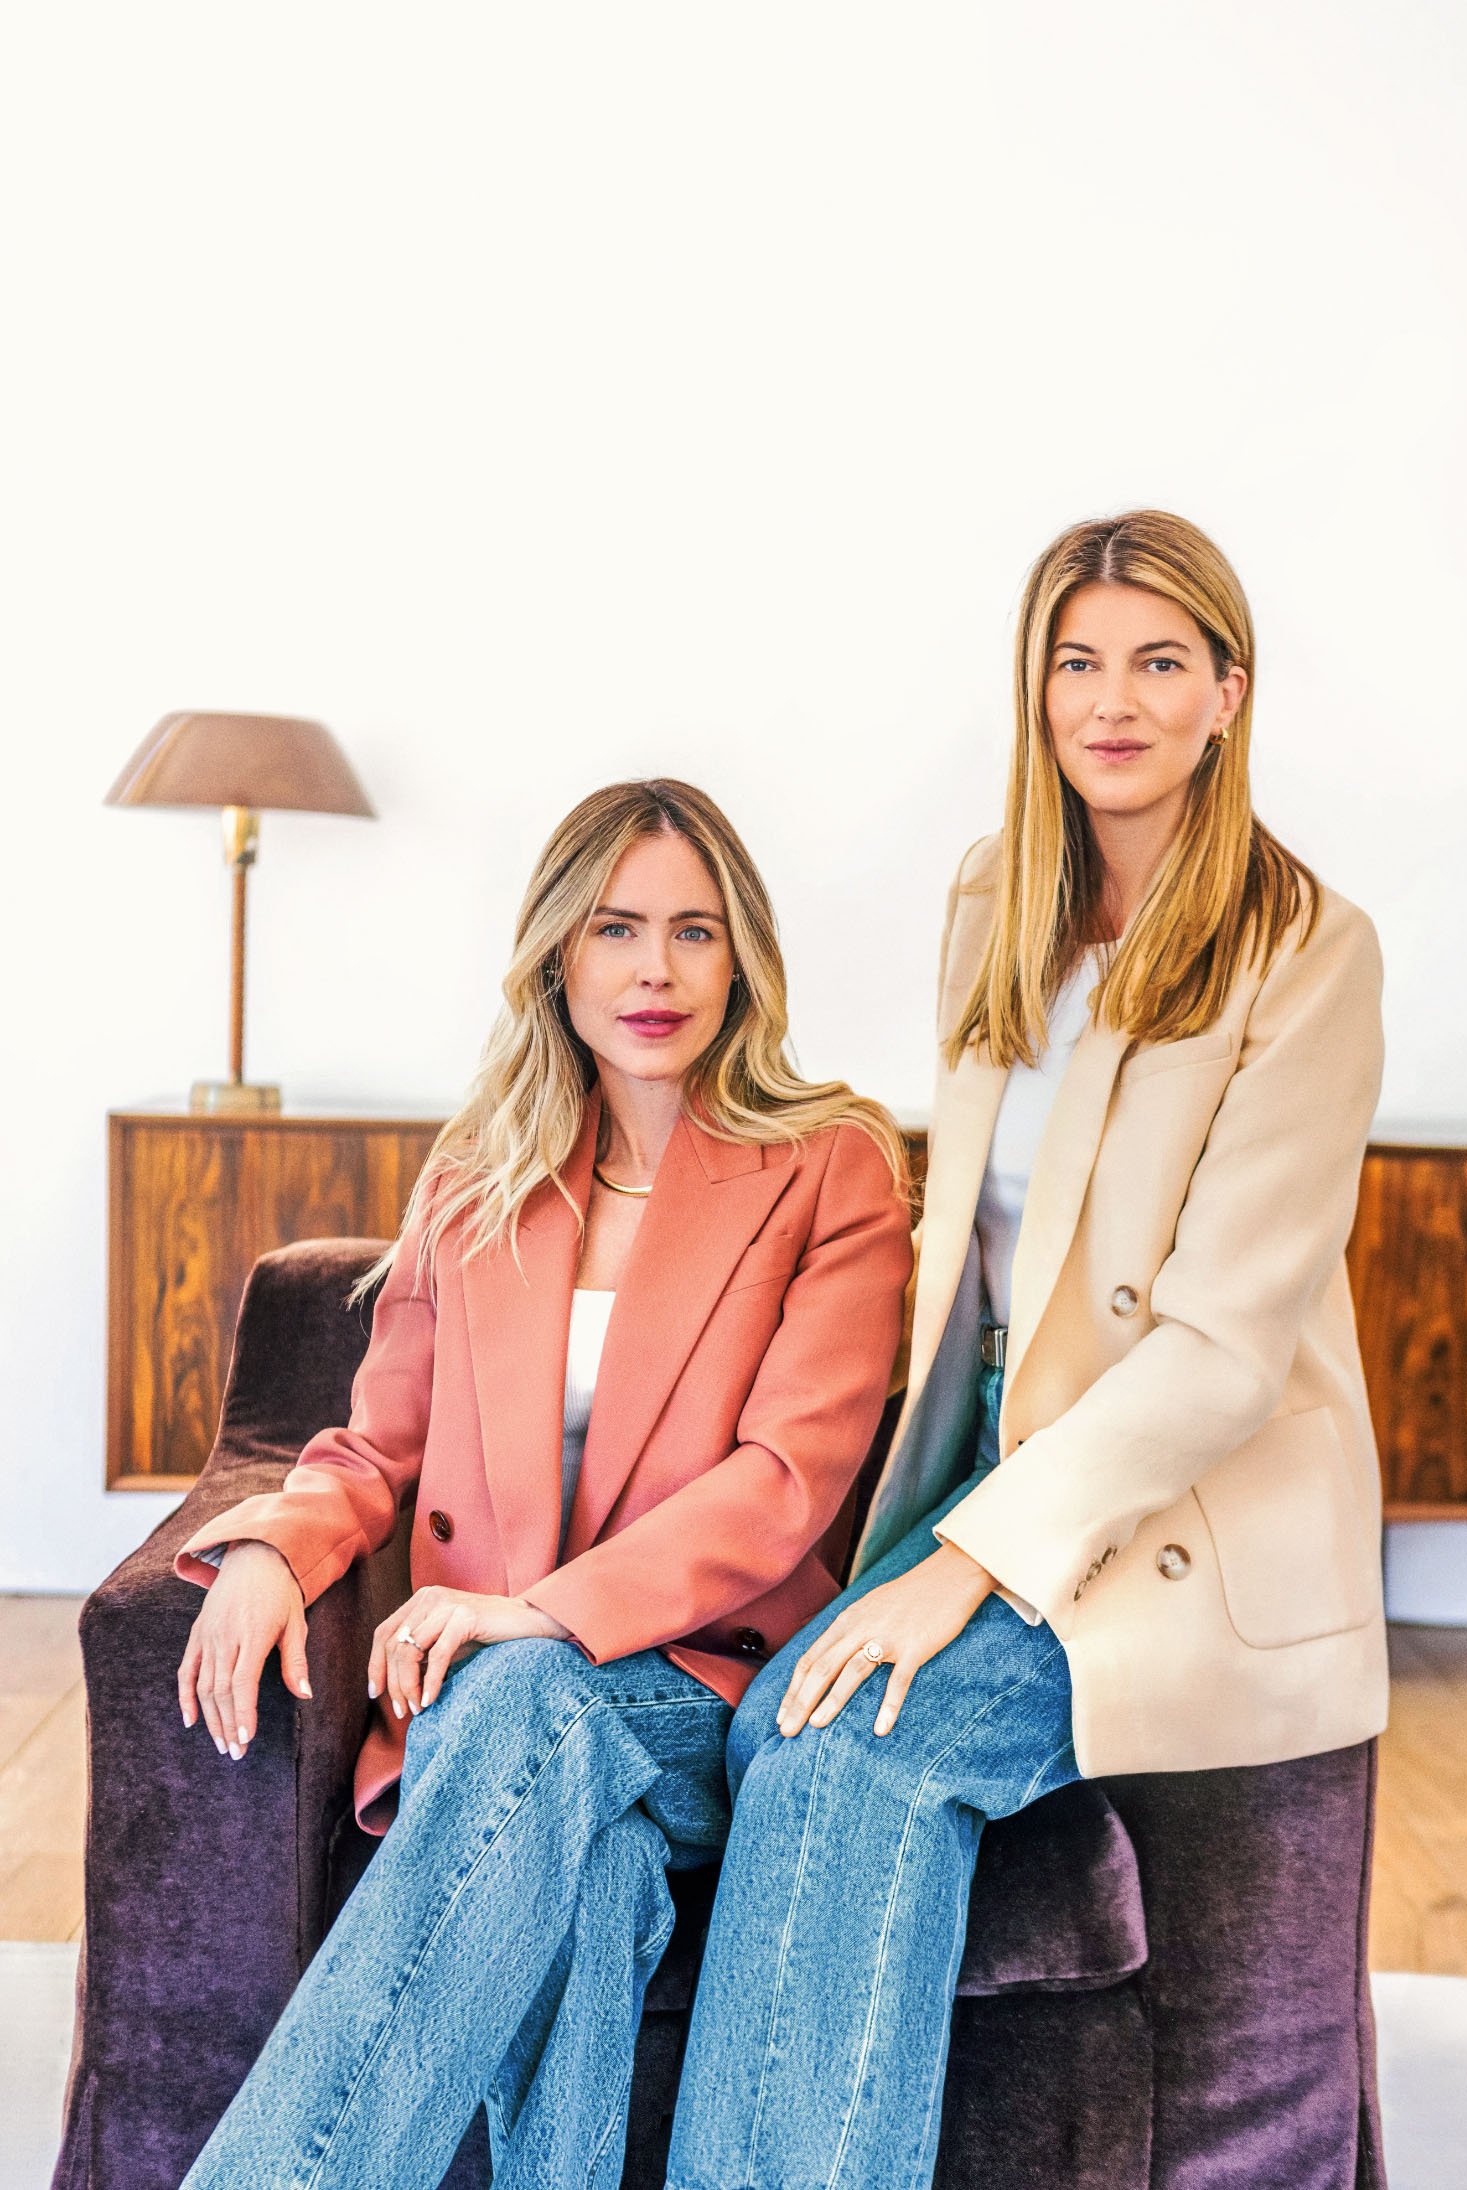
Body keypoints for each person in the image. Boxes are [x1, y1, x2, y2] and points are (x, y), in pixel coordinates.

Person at [666, 509, 1389, 2190]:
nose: (1112, 700)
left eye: (1157, 661)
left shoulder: (1310, 950)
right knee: (781, 1723)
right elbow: (963, 1243)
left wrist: (963, 1569)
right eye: (1079, 661)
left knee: (853, 1755)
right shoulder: (996, 899)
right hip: (999, 1455)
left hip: (1175, 1509)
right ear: (1035, 687)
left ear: (1229, 690)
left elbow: (1213, 1353)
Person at [171, 777, 913, 2189]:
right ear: (556, 953)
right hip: (499, 1702)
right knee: (597, 1875)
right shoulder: (479, 1178)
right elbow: (373, 1445)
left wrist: (545, 1614)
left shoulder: (832, 1164)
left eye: (695, 931)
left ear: (742, 957)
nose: (654, 968)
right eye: (617, 926)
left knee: (520, 1691)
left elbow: (784, 1480)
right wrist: (271, 1546)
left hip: (704, 1686)